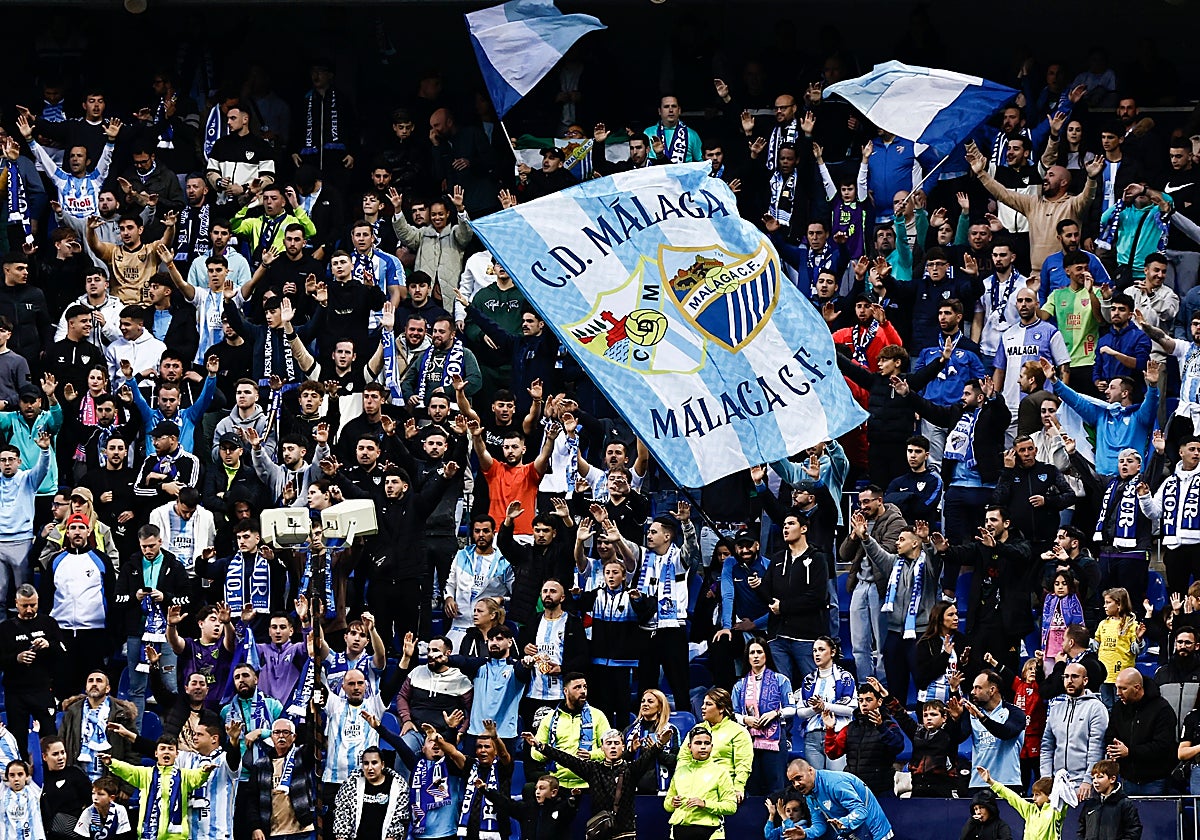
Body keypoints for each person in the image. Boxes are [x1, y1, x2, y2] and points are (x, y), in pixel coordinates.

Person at [849, 513, 941, 705]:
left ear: (914, 544)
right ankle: (897, 728)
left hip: (921, 634)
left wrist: (926, 542)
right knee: (895, 688)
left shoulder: (928, 566)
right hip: (894, 633)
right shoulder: (894, 564)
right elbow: (877, 554)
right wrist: (865, 537)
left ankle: (926, 726)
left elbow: (935, 558)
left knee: (923, 686)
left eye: (902, 540)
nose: (897, 543)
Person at [521, 727, 668, 840]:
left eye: (616, 743)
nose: (612, 747)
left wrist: (660, 743)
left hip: (625, 833)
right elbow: (566, 759)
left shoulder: (631, 769)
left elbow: (649, 756)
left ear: (623, 747)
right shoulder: (593, 769)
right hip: (599, 832)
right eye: (608, 743)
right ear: (602, 747)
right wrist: (540, 746)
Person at [100, 737, 212, 840]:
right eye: (162, 749)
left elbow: (197, 777)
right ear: (156, 753)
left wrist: (204, 771)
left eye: (170, 749)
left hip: (176, 837)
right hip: (147, 835)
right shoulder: (145, 774)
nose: (166, 751)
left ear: (176, 754)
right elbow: (128, 770)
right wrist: (111, 762)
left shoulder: (184, 775)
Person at [0, 586, 63, 758]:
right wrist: (16, 658)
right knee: (18, 737)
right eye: (24, 606)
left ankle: (50, 775)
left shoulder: (49, 623)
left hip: (42, 689)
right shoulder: (5, 629)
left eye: (33, 605)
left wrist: (49, 645)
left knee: (50, 736)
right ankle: (21, 775)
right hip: (16, 692)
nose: (29, 610)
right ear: (16, 604)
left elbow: (64, 653)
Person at [820, 680, 904, 800]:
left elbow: (898, 746)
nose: (864, 704)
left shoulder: (889, 725)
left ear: (879, 701)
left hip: (881, 790)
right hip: (855, 790)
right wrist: (830, 729)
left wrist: (881, 727)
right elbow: (833, 753)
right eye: (861, 700)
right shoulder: (850, 728)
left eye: (869, 700)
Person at [732, 638, 795, 796]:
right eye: (752, 652)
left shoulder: (781, 680)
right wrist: (745, 719)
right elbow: (733, 713)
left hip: (775, 739)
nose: (755, 656)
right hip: (748, 740)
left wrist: (775, 713)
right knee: (753, 785)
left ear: (766, 655)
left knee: (776, 785)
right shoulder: (740, 685)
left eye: (759, 652)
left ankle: (778, 819)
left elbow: (792, 709)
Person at [1040, 662, 1108, 800]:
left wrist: (1088, 780)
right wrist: (1046, 779)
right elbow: (1047, 746)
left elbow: (1097, 748)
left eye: (1075, 677)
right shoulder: (1056, 709)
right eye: (1066, 677)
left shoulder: (1096, 708)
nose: (1069, 681)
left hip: (1084, 786)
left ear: (1085, 680)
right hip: (1057, 785)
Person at [1104, 668, 1177, 794]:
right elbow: (1110, 735)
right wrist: (1114, 749)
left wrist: (1130, 752)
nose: (1118, 693)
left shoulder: (1162, 709)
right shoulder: (1118, 708)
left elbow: (1163, 746)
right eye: (1117, 688)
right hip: (1127, 779)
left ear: (1137, 687)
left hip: (1155, 780)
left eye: (1123, 688)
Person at [951, 670, 1027, 791]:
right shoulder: (972, 714)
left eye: (978, 688)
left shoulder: (1015, 713)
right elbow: (957, 738)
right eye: (973, 688)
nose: (972, 692)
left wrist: (982, 718)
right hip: (978, 784)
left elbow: (1005, 733)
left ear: (992, 690)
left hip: (1008, 784)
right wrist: (955, 720)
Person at [783, 758, 895, 840]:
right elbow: (819, 825)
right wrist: (805, 834)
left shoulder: (835, 783)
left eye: (798, 778)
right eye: (792, 782)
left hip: (875, 832)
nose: (796, 784)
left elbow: (861, 811)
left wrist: (844, 822)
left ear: (810, 770)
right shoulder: (809, 794)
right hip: (852, 834)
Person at [663, 727, 738, 840]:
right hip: (679, 831)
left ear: (711, 747)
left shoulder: (720, 773)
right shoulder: (680, 772)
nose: (703, 747)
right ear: (689, 747)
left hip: (709, 832)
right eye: (698, 743)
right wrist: (672, 802)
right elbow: (667, 805)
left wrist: (705, 804)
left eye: (707, 743)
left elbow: (731, 806)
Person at [793, 635, 855, 772]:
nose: (817, 654)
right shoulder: (808, 680)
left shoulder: (845, 677)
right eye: (815, 651)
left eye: (821, 649)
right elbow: (800, 712)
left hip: (838, 734)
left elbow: (852, 709)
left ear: (832, 652)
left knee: (836, 781)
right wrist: (815, 709)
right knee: (815, 783)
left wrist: (825, 706)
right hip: (812, 737)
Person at [330, 747, 409, 840]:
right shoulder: (351, 784)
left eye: (374, 763)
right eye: (366, 763)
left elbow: (398, 822)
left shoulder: (398, 787)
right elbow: (341, 816)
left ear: (382, 764)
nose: (370, 767)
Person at [975, 766, 1064, 840]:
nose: (1033, 798)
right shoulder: (1029, 810)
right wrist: (991, 782)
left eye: (1037, 795)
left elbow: (1065, 800)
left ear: (1050, 795)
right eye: (1033, 795)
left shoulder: (1056, 811)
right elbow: (1011, 796)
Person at [697, 688, 753, 804]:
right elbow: (683, 759)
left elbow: (743, 764)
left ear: (721, 708)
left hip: (724, 789)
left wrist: (738, 787)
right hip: (697, 786)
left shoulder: (738, 732)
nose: (703, 707)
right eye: (703, 704)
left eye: (708, 704)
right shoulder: (696, 730)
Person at [481, 774, 578, 840]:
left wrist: (573, 798)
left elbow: (569, 810)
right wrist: (486, 791)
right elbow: (505, 803)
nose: (537, 792)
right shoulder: (527, 808)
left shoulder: (561, 809)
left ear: (553, 792)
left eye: (542, 788)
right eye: (536, 788)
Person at [622, 689, 681, 797]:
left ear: (660, 707)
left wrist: (656, 749)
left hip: (662, 789)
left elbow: (675, 761)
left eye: (650, 701)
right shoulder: (630, 731)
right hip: (632, 789)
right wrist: (631, 751)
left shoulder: (670, 731)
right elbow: (620, 761)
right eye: (643, 701)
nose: (645, 704)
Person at [1095, 589, 1145, 708]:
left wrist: (1138, 639)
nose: (1104, 606)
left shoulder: (1132, 625)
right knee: (1106, 707)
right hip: (1104, 676)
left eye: (1108, 602)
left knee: (1122, 707)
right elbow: (1096, 646)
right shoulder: (1103, 624)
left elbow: (1136, 650)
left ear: (1119, 604)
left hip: (1122, 677)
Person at [1077, 760, 1143, 840]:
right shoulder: (1090, 804)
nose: (1095, 781)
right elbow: (1081, 831)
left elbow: (1133, 832)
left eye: (1100, 777)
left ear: (1112, 779)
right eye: (1093, 778)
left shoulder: (1124, 804)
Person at [0, 759, 44, 840]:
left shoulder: (34, 790)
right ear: (7, 777)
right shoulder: (2, 793)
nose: (16, 779)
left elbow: (38, 763)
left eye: (20, 774)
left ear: (27, 776)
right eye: (12, 775)